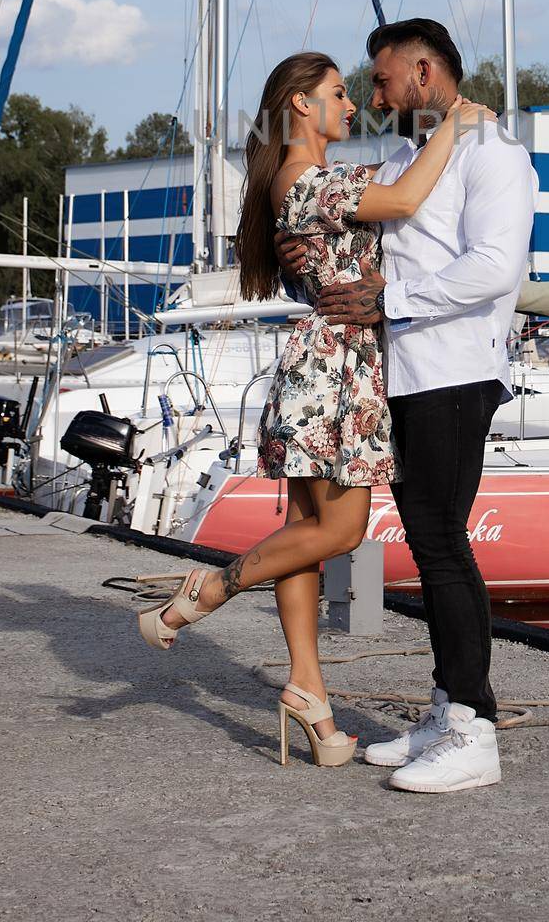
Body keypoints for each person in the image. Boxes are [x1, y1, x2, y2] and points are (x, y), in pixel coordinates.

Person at [134, 49, 490, 770]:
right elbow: (402, 202)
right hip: (334, 369)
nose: (352, 104)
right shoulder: (300, 180)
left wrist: (430, 139)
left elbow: (396, 179)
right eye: (336, 93)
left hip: (329, 364)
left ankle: (311, 701)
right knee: (341, 528)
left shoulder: (320, 178)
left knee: (304, 530)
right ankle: (207, 589)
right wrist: (453, 124)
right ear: (300, 103)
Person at [278, 18, 538, 794]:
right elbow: (353, 248)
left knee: (442, 543)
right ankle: (445, 707)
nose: (373, 94)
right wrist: (304, 262)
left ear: (423, 73)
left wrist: (392, 299)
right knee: (428, 546)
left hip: (455, 372)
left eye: (384, 79)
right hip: (406, 372)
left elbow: (493, 267)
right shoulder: (406, 158)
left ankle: (473, 730)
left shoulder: (495, 154)